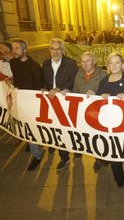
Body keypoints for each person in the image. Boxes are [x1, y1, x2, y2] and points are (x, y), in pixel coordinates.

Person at [97, 53, 124, 187]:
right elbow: (97, 104)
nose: (114, 65)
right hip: (110, 125)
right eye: (111, 63)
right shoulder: (103, 82)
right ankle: (119, 178)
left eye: (117, 63)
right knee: (114, 151)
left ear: (122, 65)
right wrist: (99, 97)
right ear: (108, 66)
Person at [41, 38, 78, 171]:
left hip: (66, 101)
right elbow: (44, 80)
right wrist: (44, 88)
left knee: (70, 128)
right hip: (51, 102)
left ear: (63, 50)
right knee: (58, 129)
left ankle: (76, 148)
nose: (56, 52)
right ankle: (64, 157)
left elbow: (74, 80)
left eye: (58, 49)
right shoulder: (45, 63)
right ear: (49, 50)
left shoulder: (71, 63)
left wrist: (59, 88)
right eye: (53, 49)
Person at [9, 38, 44, 171]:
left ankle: (37, 155)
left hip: (31, 103)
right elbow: (17, 78)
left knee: (30, 128)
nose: (14, 51)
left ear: (25, 50)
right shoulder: (13, 62)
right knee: (26, 127)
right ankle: (34, 144)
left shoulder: (34, 66)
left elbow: (38, 86)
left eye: (17, 48)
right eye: (13, 48)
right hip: (19, 101)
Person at [73, 51, 108, 172]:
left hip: (97, 112)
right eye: (82, 61)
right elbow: (75, 91)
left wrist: (96, 94)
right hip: (82, 111)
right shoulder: (78, 74)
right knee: (85, 135)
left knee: (98, 136)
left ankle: (99, 158)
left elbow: (107, 93)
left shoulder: (103, 75)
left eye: (88, 61)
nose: (85, 64)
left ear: (94, 62)